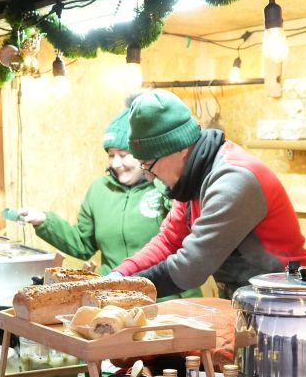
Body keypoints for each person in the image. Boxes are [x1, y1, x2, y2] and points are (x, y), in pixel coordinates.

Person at [109, 90, 306, 298]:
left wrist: (125, 289)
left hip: (287, 300)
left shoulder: (233, 180)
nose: (149, 177)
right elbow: (169, 241)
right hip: (247, 297)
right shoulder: (189, 180)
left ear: (178, 148)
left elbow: (191, 267)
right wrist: (120, 275)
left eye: (148, 164)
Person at [16, 108, 195, 298]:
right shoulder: (99, 190)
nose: (116, 163)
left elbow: (186, 237)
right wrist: (44, 221)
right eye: (111, 155)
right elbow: (82, 244)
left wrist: (164, 185)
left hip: (166, 297)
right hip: (115, 296)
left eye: (123, 154)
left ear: (143, 155)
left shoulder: (166, 185)